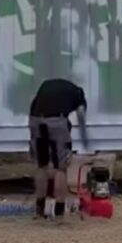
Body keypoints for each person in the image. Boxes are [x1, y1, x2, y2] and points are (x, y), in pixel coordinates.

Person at [28, 77, 89, 220]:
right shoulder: (79, 96)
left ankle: (39, 209)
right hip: (57, 121)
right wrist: (85, 139)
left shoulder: (47, 84)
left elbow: (33, 102)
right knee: (60, 167)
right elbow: (80, 114)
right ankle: (59, 211)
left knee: (41, 165)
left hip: (35, 119)